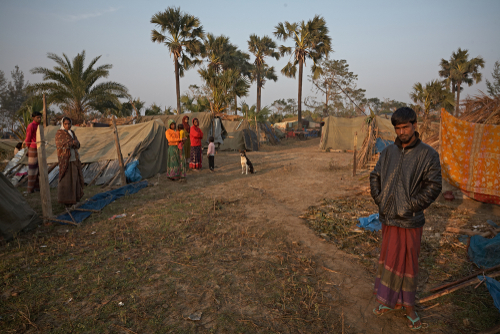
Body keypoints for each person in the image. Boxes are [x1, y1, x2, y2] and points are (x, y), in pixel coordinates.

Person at [370, 107, 442, 330]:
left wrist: (410, 206)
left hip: (410, 220)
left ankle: (409, 306)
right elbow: (375, 176)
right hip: (389, 218)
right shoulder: (388, 152)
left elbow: (434, 186)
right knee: (390, 259)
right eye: (398, 128)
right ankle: (388, 300)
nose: (401, 132)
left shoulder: (428, 154)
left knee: (408, 262)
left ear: (414, 125)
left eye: (405, 127)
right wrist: (381, 199)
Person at [55, 117, 85, 205]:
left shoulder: (72, 132)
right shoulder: (59, 133)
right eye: (66, 124)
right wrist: (71, 143)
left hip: (74, 158)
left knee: (75, 179)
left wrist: (76, 143)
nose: (68, 125)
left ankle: (75, 198)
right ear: (62, 124)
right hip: (66, 160)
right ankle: (65, 200)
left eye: (69, 124)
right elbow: (59, 144)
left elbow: (78, 143)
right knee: (66, 179)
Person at [24, 111, 42, 193]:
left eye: (40, 117)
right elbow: (28, 138)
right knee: (32, 169)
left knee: (38, 169)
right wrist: (28, 149)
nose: (39, 119)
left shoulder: (39, 126)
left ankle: (37, 188)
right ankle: (30, 189)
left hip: (39, 148)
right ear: (33, 118)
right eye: (38, 117)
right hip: (33, 148)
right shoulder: (31, 126)